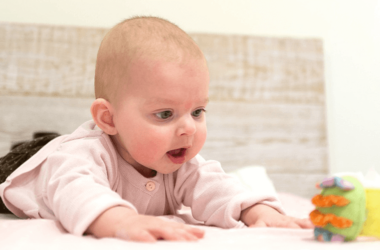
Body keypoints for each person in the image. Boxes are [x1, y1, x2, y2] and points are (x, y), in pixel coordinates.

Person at [0, 16, 313, 242]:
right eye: (165, 113)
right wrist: (121, 221)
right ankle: (39, 142)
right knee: (47, 156)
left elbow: (216, 187)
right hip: (27, 167)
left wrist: (256, 211)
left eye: (198, 111)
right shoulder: (81, 157)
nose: (188, 128)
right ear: (109, 119)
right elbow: (76, 191)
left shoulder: (179, 162)